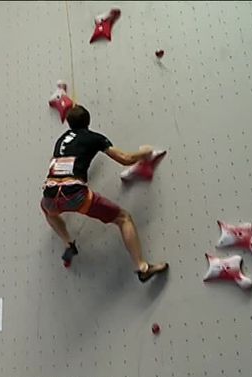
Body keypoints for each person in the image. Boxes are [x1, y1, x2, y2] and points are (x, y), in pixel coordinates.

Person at [41, 105, 168, 281]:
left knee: (49, 213)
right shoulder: (94, 138)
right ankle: (142, 267)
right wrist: (144, 154)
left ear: (69, 123)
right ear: (88, 120)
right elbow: (125, 159)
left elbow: (57, 163)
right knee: (123, 218)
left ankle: (68, 243)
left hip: (50, 196)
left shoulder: (61, 140)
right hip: (75, 195)